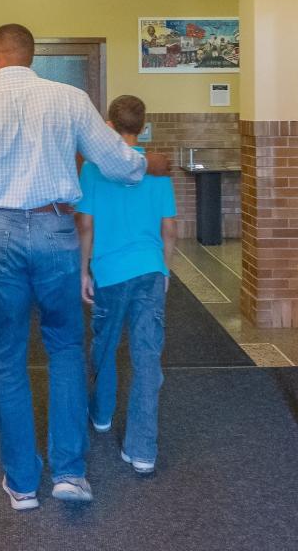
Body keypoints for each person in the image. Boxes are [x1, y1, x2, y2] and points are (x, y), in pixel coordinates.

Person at [0, 23, 171, 511]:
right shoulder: (69, 98)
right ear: (31, 56)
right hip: (57, 231)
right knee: (65, 348)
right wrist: (150, 164)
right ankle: (70, 474)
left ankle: (22, 483)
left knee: (6, 356)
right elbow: (115, 161)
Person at [76, 95, 176, 475]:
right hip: (150, 270)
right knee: (147, 357)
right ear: (143, 125)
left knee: (104, 343)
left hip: (109, 270)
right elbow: (169, 228)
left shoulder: (94, 169)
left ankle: (101, 414)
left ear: (109, 125)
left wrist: (83, 269)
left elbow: (85, 224)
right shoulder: (157, 169)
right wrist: (165, 269)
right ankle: (143, 450)